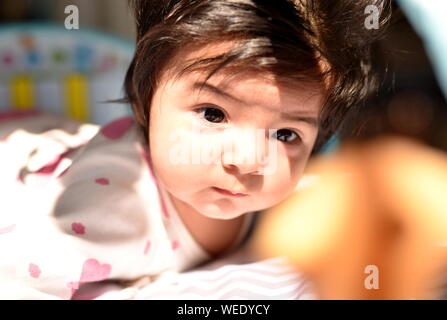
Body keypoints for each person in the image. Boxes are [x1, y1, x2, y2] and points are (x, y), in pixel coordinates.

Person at [0, 0, 390, 299]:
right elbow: (14, 279)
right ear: (143, 103)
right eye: (213, 114)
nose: (248, 160)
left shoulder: (293, 206)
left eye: (285, 135)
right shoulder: (109, 212)